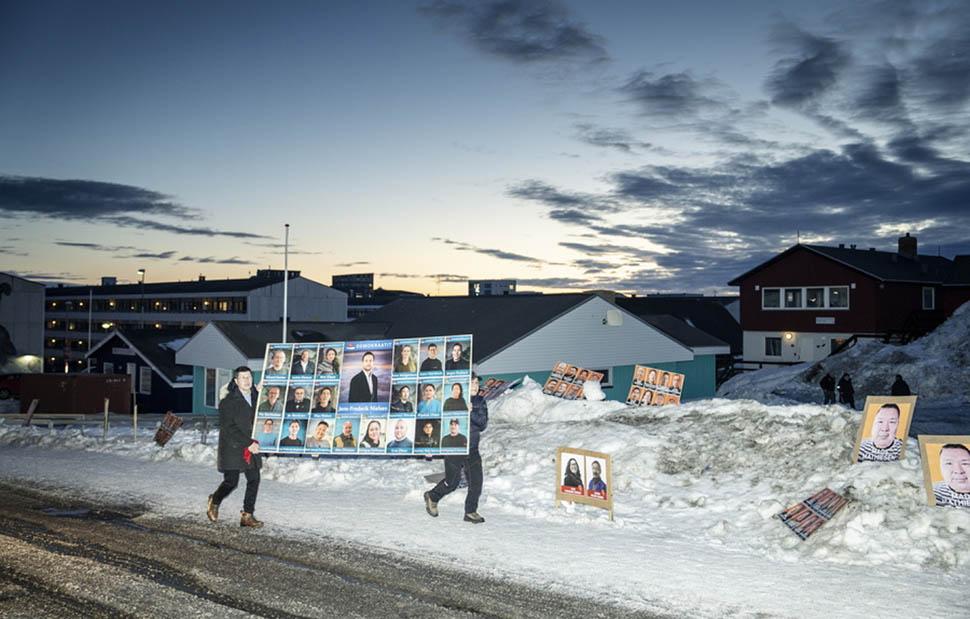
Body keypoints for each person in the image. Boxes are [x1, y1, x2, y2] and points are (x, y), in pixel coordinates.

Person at [424, 375, 488, 524]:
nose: (475, 386)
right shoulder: (450, 402)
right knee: (452, 482)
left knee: (476, 481)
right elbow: (440, 422)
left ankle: (470, 511)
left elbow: (483, 424)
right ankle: (432, 496)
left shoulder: (480, 401)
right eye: (471, 383)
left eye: (477, 383)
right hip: (454, 447)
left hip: (472, 448)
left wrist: (471, 412)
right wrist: (430, 445)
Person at [208, 366, 263, 528]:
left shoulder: (256, 397)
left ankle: (247, 515)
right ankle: (214, 500)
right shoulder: (228, 401)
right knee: (231, 482)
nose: (247, 380)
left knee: (254, 479)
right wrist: (249, 443)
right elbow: (229, 428)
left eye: (249, 377)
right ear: (236, 381)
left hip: (251, 445)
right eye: (243, 377)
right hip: (233, 446)